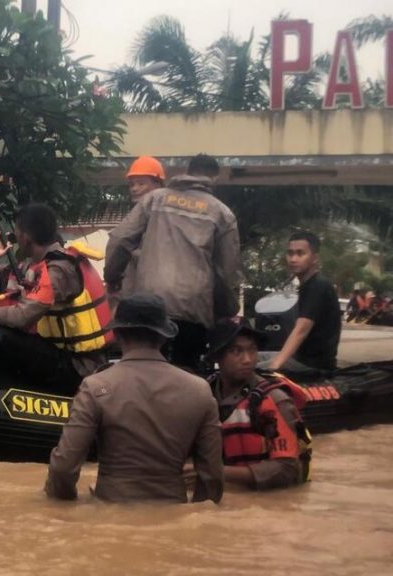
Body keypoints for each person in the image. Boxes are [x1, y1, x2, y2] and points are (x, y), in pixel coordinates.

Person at [44, 294, 223, 503]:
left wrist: (68, 506)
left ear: (117, 335)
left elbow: (63, 469)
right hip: (173, 516)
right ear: (164, 337)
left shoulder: (96, 387)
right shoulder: (199, 390)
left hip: (110, 515)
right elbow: (212, 478)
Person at [0, 203, 112, 387]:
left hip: (78, 367)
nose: (15, 237)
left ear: (26, 237)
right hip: (55, 354)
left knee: (3, 337)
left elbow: (22, 316)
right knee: (3, 338)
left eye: (16, 231)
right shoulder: (29, 266)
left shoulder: (60, 269)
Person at [104, 154, 242, 370]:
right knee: (185, 375)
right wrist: (224, 313)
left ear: (187, 171)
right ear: (214, 179)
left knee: (144, 371)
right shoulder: (222, 213)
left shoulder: (155, 199)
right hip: (192, 311)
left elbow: (120, 239)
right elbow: (227, 272)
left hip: (149, 307)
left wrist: (112, 278)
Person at [208, 318, 312, 490]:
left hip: (266, 498)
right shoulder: (204, 394)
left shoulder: (275, 400)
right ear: (217, 356)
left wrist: (217, 473)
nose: (247, 359)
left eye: (253, 350)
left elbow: (287, 469)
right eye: (236, 351)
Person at [258, 231, 341, 374]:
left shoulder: (318, 286)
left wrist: (274, 366)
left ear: (315, 258)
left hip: (313, 365)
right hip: (299, 357)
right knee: (248, 358)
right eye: (290, 253)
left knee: (248, 369)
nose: (293, 259)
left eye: (300, 253)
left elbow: (301, 331)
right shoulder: (307, 285)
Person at [120, 156, 165, 296]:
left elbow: (119, 241)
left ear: (158, 185)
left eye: (141, 183)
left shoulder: (163, 215)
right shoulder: (139, 214)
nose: (134, 189)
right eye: (132, 184)